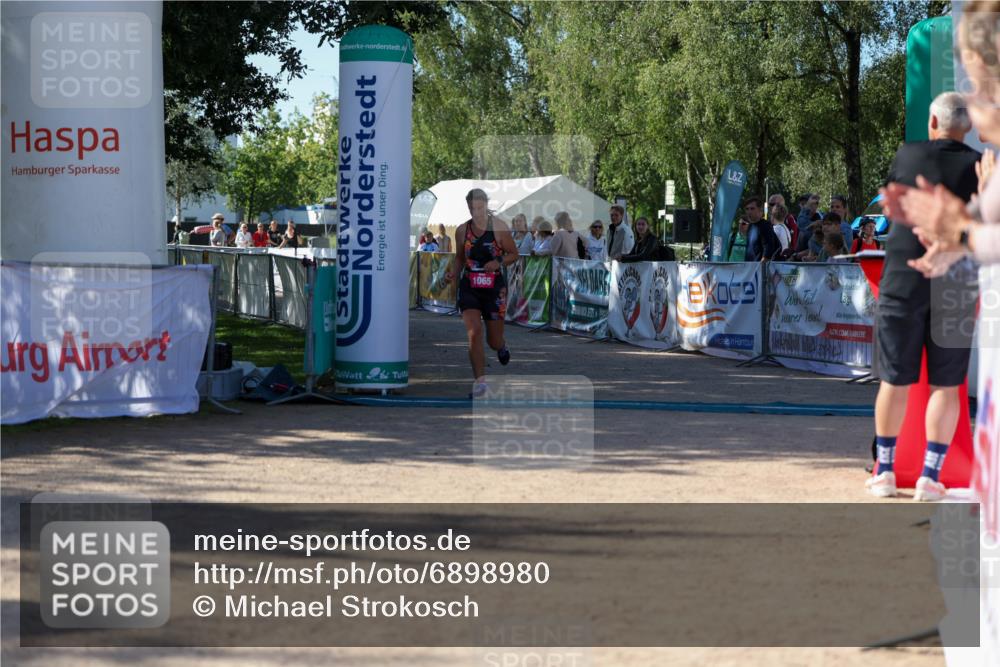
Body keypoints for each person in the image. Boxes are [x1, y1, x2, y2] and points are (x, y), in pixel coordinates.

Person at [867, 91, 981, 502]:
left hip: (902, 281)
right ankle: (930, 478)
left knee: (894, 380)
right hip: (956, 284)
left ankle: (884, 472)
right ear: (967, 128)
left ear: (933, 122)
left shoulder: (907, 155)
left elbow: (891, 210)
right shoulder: (981, 167)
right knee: (946, 386)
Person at [444, 189, 519, 397]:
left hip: (494, 288)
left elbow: (514, 254)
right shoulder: (462, 230)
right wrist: (453, 273)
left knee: (493, 341)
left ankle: (502, 346)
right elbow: (460, 257)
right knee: (474, 332)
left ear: (486, 206)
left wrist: (499, 261)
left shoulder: (499, 228)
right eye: (471, 208)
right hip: (470, 286)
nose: (475, 212)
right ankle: (480, 383)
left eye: (479, 208)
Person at [741, 195, 779, 262]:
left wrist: (762, 266)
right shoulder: (750, 226)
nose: (749, 212)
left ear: (760, 210)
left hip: (759, 269)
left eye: (752, 208)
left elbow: (768, 249)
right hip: (749, 268)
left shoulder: (765, 225)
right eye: (747, 209)